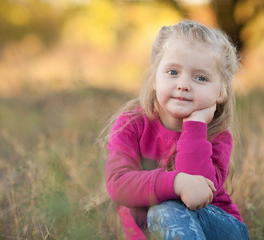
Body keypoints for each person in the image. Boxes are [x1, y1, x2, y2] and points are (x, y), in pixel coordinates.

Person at [105, 20, 250, 240]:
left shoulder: (217, 135)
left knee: (167, 208)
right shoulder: (131, 125)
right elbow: (118, 184)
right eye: (173, 72)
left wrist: (195, 126)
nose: (183, 85)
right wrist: (175, 182)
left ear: (220, 92)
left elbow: (195, 197)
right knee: (164, 208)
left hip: (222, 230)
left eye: (200, 78)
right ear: (155, 78)